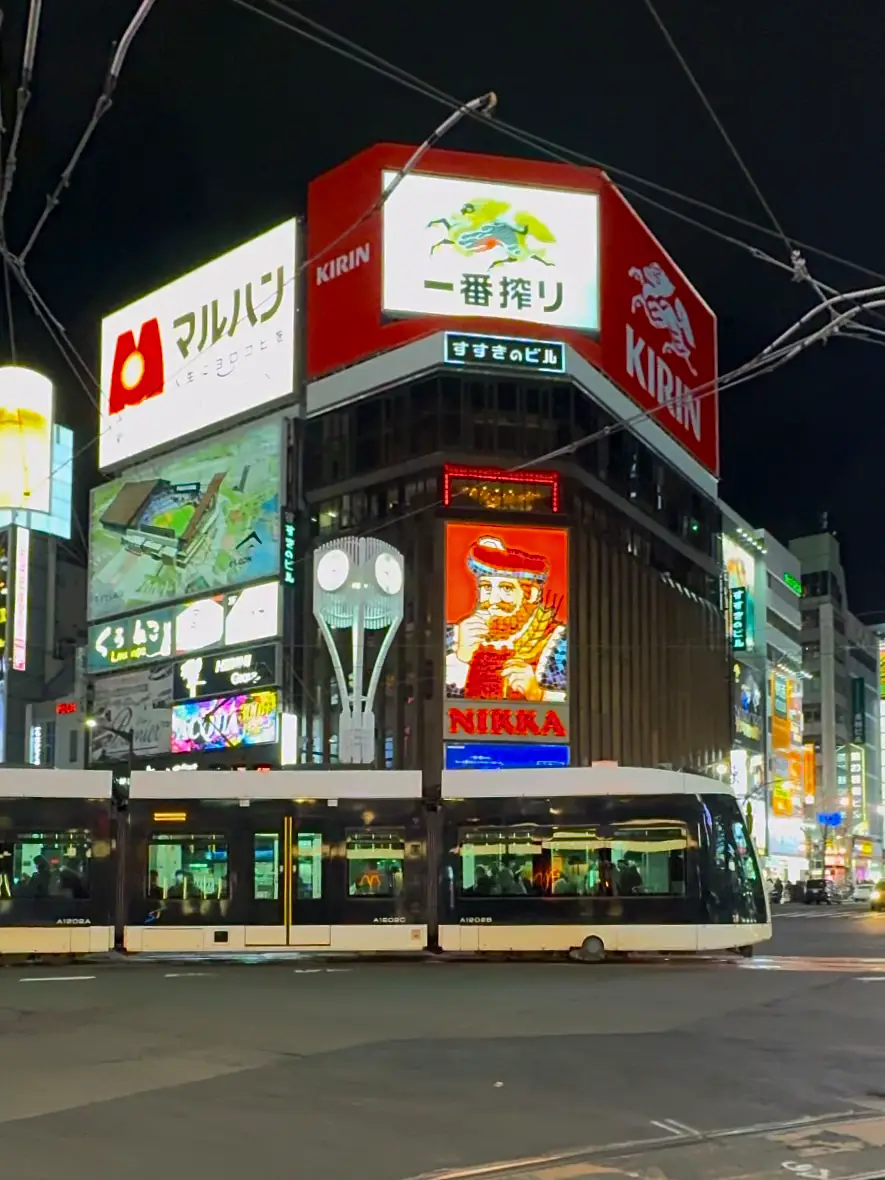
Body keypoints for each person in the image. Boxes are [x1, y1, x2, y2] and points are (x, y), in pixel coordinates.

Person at [445, 536, 567, 701]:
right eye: (486, 587)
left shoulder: (559, 643)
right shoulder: (452, 637)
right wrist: (461, 659)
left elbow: (585, 704)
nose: (493, 600)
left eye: (506, 589)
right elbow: (426, 700)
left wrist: (538, 693)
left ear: (531, 595)